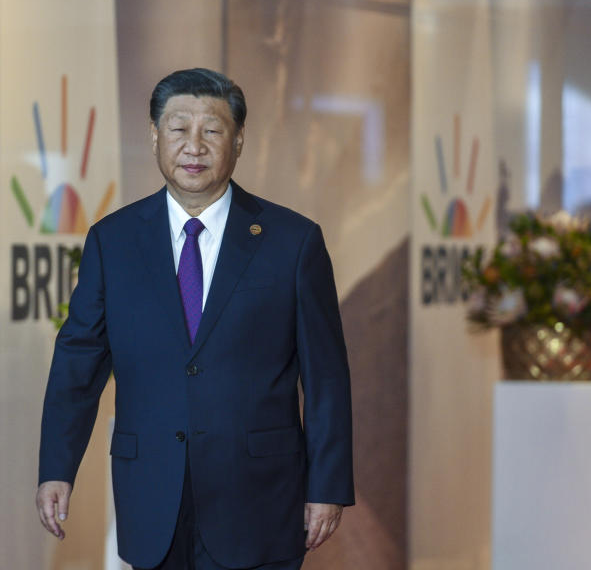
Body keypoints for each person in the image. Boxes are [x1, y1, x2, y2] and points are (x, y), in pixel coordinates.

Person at [36, 68, 354, 570]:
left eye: (212, 130)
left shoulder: (293, 242)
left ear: (239, 140)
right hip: (151, 498)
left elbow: (326, 377)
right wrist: (57, 468)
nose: (194, 145)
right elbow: (78, 364)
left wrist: (328, 486)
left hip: (259, 500)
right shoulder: (112, 240)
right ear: (155, 137)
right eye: (179, 128)